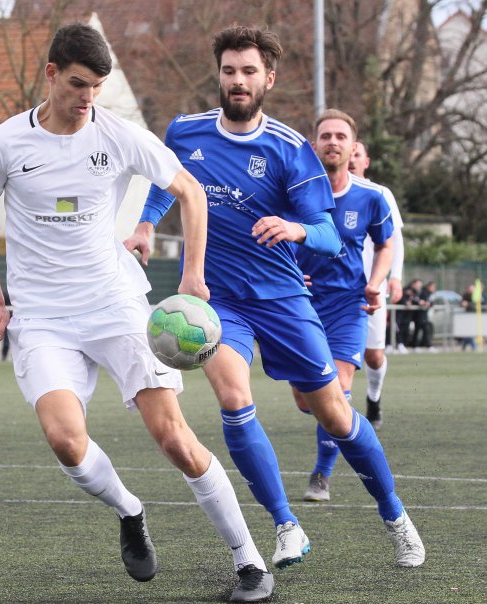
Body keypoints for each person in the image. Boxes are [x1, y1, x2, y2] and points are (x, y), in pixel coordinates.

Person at [0, 23, 273, 603]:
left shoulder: (119, 135)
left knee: (174, 438)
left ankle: (250, 563)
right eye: (79, 85)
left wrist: (191, 276)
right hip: (42, 317)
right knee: (65, 440)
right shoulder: (4, 143)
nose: (88, 100)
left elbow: (192, 192)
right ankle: (129, 510)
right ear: (52, 74)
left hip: (115, 303)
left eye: (98, 89)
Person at [126, 27, 425, 569]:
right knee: (234, 401)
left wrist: (296, 230)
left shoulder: (291, 150)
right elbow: (162, 183)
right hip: (221, 304)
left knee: (333, 414)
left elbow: (332, 237)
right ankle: (287, 525)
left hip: (284, 298)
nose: (237, 81)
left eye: (247, 72)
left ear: (269, 78)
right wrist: (146, 225)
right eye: (228, 71)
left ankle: (395, 514)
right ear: (217, 75)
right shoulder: (185, 132)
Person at [293, 110, 393, 504]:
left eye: (340, 136)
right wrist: (287, 273)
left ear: (353, 147)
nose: (333, 142)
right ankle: (329, 428)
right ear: (313, 143)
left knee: (338, 387)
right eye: (325, 136)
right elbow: (274, 236)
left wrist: (375, 282)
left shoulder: (371, 198)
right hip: (299, 306)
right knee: (308, 399)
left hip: (348, 306)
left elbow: (386, 244)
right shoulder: (295, 193)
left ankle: (322, 474)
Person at [348, 140, 404, 430]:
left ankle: (373, 399)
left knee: (373, 354)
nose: (352, 159)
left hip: (371, 286)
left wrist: (395, 276)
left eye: (358, 155)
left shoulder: (381, 194)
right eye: (350, 154)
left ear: (366, 162)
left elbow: (394, 241)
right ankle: (337, 411)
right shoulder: (326, 191)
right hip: (333, 288)